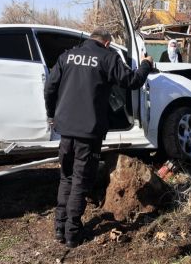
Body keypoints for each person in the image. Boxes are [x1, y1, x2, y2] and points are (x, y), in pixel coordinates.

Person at [44, 28, 153, 248]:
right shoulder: (107, 57)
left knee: (66, 177)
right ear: (106, 43)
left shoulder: (67, 56)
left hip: (66, 129)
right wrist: (146, 65)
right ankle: (72, 233)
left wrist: (52, 114)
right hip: (88, 131)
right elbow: (131, 81)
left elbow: (49, 87)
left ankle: (59, 227)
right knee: (80, 180)